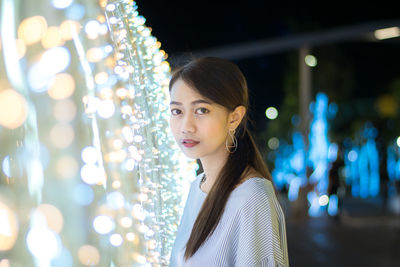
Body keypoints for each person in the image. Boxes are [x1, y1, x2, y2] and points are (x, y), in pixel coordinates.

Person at [168, 57, 289, 267]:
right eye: (177, 111)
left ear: (234, 118)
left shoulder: (251, 197)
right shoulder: (197, 187)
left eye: (201, 110)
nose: (186, 126)